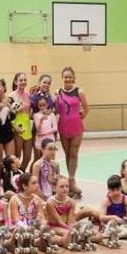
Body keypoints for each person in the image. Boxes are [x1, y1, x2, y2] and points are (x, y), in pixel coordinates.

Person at [55, 67, 89, 198]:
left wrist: (80, 118)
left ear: (74, 78)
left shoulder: (79, 91)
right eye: (66, 77)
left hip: (76, 126)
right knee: (67, 154)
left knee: (74, 154)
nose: (68, 79)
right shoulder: (57, 92)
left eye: (70, 77)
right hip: (63, 125)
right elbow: (56, 109)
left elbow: (86, 108)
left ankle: (71, 179)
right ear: (62, 78)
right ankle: (69, 184)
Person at [10, 72, 33, 171]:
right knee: (17, 155)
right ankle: (15, 174)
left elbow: (31, 111)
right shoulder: (11, 96)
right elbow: (8, 115)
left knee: (27, 156)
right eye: (20, 80)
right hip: (17, 125)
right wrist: (15, 127)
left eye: (25, 80)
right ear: (16, 81)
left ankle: (20, 173)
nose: (23, 82)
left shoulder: (28, 94)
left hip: (27, 125)